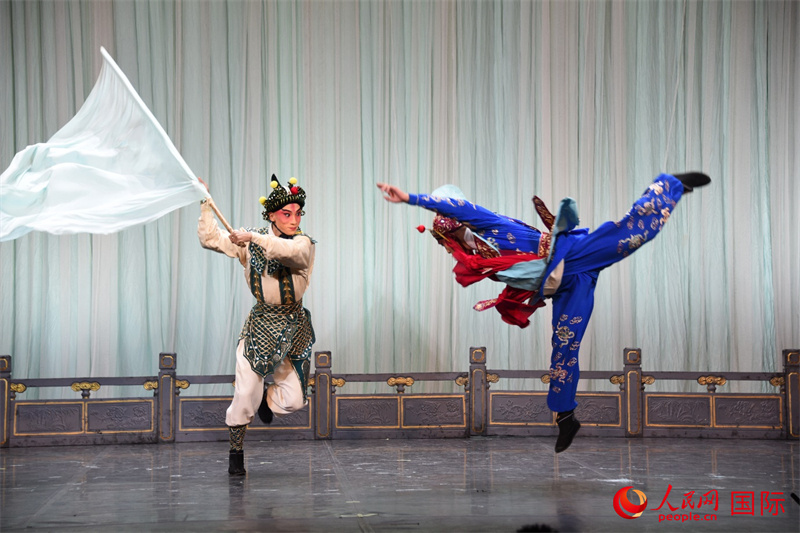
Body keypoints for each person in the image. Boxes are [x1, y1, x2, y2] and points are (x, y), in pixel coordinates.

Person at [377, 172, 710, 453]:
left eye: (448, 227)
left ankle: (667, 185)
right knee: (564, 345)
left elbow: (456, 207)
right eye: (444, 235)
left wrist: (410, 198)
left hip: (571, 256)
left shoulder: (487, 222)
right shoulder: (475, 255)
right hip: (565, 285)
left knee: (631, 235)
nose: (447, 237)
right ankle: (566, 417)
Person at [198, 174, 316, 475]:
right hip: (261, 326)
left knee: (295, 400)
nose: (294, 220)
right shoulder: (249, 242)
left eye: (298, 213)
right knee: (245, 394)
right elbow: (210, 239)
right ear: (272, 215)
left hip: (294, 327)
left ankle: (265, 397)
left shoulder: (303, 243)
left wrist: (252, 238)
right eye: (286, 214)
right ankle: (236, 451)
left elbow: (291, 253)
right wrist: (205, 203)